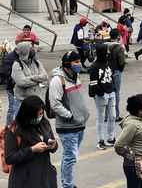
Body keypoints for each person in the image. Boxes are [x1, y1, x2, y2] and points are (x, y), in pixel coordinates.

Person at [49, 51, 90, 188]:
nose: (79, 64)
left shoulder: (75, 76)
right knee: (70, 157)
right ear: (68, 64)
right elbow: (55, 104)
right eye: (76, 62)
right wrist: (70, 115)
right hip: (68, 127)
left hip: (79, 124)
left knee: (71, 157)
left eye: (79, 61)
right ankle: (67, 185)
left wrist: (83, 115)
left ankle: (68, 183)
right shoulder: (57, 80)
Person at [4, 95, 58, 188]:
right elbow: (10, 158)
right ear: (28, 114)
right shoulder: (14, 129)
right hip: (25, 180)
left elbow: (52, 142)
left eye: (42, 114)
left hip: (45, 177)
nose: (40, 117)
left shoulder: (44, 123)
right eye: (38, 114)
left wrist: (53, 145)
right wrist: (32, 149)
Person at [115, 94, 142, 188]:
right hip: (134, 166)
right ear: (140, 110)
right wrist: (130, 155)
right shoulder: (132, 125)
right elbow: (118, 145)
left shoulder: (141, 118)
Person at [88, 44, 116, 150]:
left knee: (112, 116)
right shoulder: (94, 67)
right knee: (101, 117)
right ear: (102, 53)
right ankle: (100, 140)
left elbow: (111, 77)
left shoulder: (107, 63)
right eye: (106, 51)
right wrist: (101, 93)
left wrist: (113, 89)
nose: (108, 53)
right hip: (101, 95)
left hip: (111, 92)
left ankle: (111, 137)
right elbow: (94, 83)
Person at [11, 42, 48, 115]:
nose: (33, 50)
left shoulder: (36, 62)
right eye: (30, 48)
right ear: (25, 51)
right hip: (23, 102)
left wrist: (31, 78)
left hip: (37, 100)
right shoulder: (17, 64)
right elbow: (21, 82)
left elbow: (45, 76)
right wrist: (38, 80)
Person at [108, 29, 126, 122]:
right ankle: (116, 114)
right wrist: (120, 69)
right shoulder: (119, 48)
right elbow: (122, 62)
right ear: (118, 36)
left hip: (106, 71)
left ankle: (107, 114)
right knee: (116, 93)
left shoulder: (105, 46)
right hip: (116, 71)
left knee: (107, 92)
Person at [1, 48, 20, 124]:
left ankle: (17, 127)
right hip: (12, 87)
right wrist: (12, 80)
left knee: (17, 108)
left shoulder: (24, 55)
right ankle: (9, 127)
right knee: (12, 108)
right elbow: (4, 72)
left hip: (20, 87)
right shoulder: (10, 57)